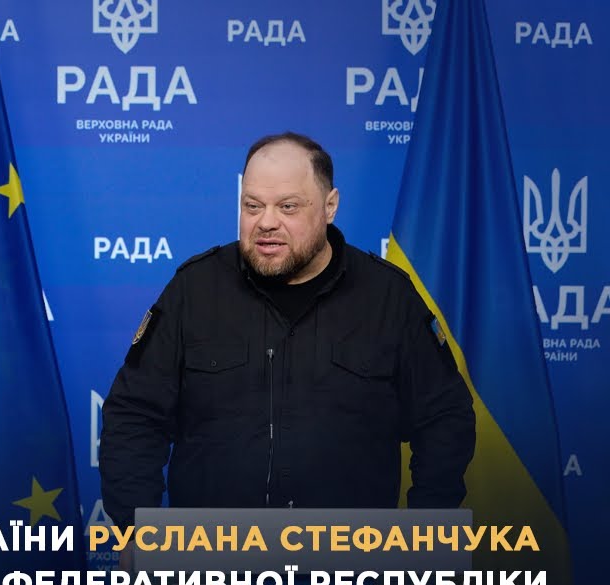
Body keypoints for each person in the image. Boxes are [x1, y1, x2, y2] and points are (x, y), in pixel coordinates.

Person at [98, 132, 475, 534]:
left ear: (330, 206)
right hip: (213, 557)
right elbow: (134, 415)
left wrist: (426, 529)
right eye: (252, 206)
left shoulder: (389, 297)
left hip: (352, 558)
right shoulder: (194, 290)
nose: (266, 222)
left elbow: (444, 418)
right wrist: (136, 528)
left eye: (288, 206)